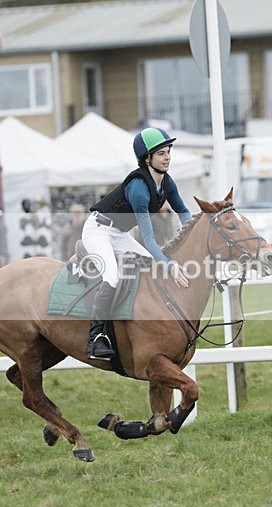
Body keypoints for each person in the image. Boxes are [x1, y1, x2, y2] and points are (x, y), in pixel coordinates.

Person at [82, 127, 192, 359]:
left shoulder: (167, 183)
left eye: (168, 151)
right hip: (98, 230)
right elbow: (149, 240)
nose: (167, 157)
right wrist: (169, 264)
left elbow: (183, 213)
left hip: (120, 233)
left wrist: (196, 234)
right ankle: (96, 338)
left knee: (152, 265)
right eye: (161, 153)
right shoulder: (139, 189)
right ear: (147, 158)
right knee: (112, 276)